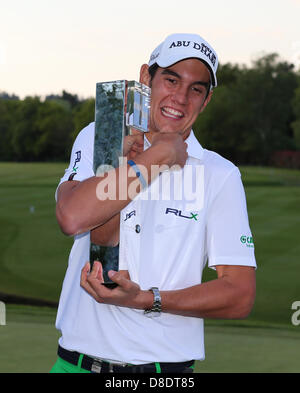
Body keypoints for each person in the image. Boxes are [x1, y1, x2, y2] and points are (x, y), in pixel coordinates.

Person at [51, 33, 256, 374]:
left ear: (206, 100)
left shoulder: (221, 175)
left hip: (166, 372)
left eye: (196, 89)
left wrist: (147, 300)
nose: (180, 97)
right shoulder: (101, 135)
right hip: (77, 365)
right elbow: (71, 217)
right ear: (146, 78)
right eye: (171, 80)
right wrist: (153, 160)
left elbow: (239, 294)